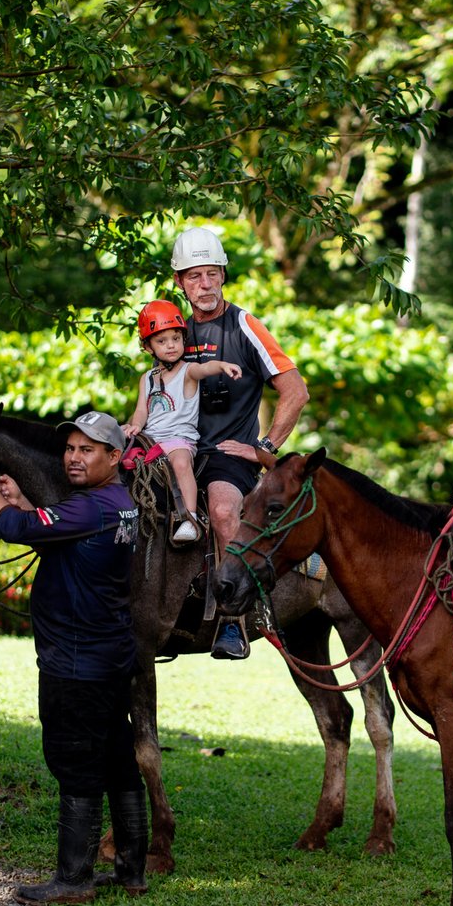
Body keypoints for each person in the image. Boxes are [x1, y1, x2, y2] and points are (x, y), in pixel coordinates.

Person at [0, 410, 149, 902]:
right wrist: (23, 500)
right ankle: (131, 870)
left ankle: (73, 880)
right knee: (116, 760)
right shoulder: (116, 502)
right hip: (109, 654)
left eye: (87, 450)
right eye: (69, 448)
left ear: (115, 456)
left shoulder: (89, 507)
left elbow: (11, 529)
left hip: (77, 662)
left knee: (75, 761)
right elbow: (58, 539)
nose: (73, 457)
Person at [170, 225, 309, 659]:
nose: (204, 284)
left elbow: (295, 391)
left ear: (224, 276)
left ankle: (234, 621)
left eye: (212, 273)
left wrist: (263, 447)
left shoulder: (244, 324)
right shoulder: (174, 332)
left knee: (224, 508)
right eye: (194, 276)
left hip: (228, 456)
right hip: (178, 449)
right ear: (179, 282)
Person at [121, 299, 243, 545]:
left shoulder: (188, 372)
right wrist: (133, 426)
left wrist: (221, 365)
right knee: (122, 464)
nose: (171, 346)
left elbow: (204, 369)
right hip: (151, 440)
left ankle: (190, 518)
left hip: (179, 439)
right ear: (148, 347)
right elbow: (141, 411)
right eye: (162, 341)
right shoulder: (147, 378)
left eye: (176, 339)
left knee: (180, 462)